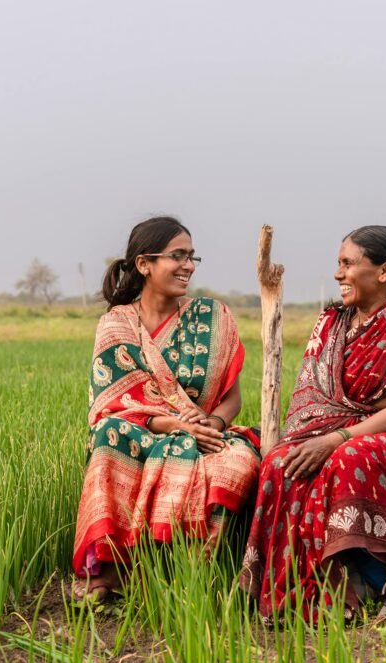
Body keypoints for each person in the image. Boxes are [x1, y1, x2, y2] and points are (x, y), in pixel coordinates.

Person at [239, 225, 386, 622]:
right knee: (281, 462)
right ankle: (315, 582)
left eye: (348, 263)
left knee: (351, 455)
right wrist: (359, 415)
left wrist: (338, 434)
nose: (338, 274)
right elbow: (314, 398)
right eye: (338, 263)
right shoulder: (330, 324)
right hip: (342, 431)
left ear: (385, 271)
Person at [72, 216, 261, 602]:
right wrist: (176, 425)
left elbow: (232, 399)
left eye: (192, 257)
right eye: (178, 256)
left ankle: (188, 576)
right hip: (145, 431)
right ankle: (111, 573)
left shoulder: (213, 318)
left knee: (237, 462)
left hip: (208, 432)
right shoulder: (116, 324)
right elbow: (113, 404)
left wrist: (210, 423)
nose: (188, 266)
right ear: (144, 264)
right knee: (109, 438)